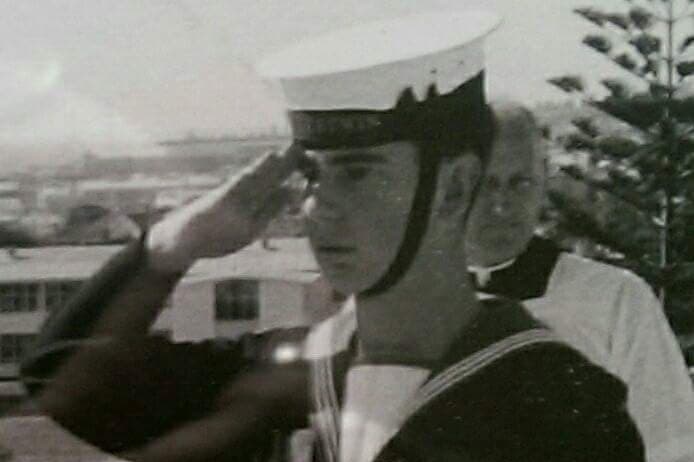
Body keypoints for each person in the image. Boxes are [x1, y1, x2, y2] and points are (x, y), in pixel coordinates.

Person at [21, 11, 644, 462]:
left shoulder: (553, 404)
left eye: (358, 173)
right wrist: (172, 246)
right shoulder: (288, 375)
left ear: (453, 188)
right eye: (313, 177)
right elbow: (59, 383)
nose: (319, 208)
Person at [465, 101, 694, 462]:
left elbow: (672, 446)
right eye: (485, 184)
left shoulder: (615, 299)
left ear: (544, 181)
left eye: (520, 183)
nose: (501, 205)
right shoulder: (399, 305)